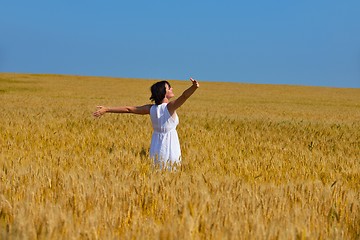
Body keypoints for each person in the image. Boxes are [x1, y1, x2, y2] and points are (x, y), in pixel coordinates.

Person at [93, 77, 200, 169]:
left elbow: (129, 109)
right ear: (163, 92)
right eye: (169, 87)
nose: (172, 88)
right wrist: (194, 87)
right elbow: (184, 96)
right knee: (171, 169)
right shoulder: (170, 107)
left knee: (156, 169)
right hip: (170, 145)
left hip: (156, 145)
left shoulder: (151, 108)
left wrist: (107, 109)